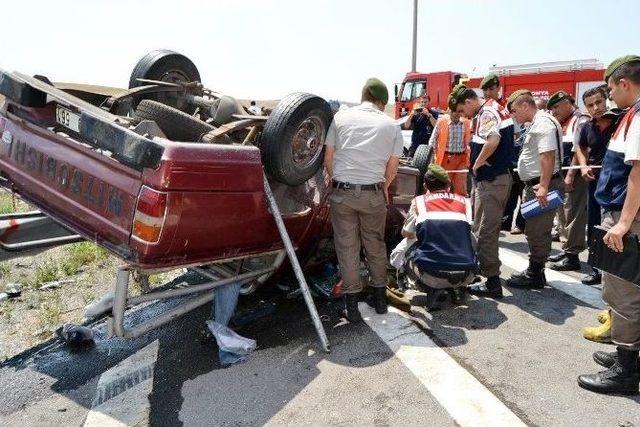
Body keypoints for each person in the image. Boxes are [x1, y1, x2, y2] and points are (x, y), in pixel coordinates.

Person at [578, 55, 640, 395]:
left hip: (625, 218)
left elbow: (638, 173)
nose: (610, 96)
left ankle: (626, 371)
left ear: (625, 84)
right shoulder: (632, 115)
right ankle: (628, 358)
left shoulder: (638, 116)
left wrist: (623, 223)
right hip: (622, 214)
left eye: (611, 88)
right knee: (627, 291)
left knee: (624, 292)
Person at [324, 77, 403, 322]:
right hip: (373, 194)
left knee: (347, 248)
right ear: (382, 102)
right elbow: (392, 167)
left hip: (343, 193)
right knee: (375, 245)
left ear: (364, 95)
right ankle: (380, 301)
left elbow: (329, 156)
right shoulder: (392, 126)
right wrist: (382, 188)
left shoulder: (340, 118)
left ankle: (353, 308)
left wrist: (336, 181)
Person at [451, 85, 514, 298]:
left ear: (469, 101)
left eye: (461, 110)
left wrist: (477, 163)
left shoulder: (486, 112)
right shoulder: (490, 109)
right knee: (479, 227)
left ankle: (492, 281)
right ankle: (483, 271)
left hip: (492, 180)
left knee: (486, 232)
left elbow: (493, 140)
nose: (462, 115)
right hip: (490, 181)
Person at [506, 89, 563, 289]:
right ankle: (535, 270)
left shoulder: (543, 123)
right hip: (537, 183)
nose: (514, 115)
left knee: (538, 230)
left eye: (514, 110)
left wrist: (544, 187)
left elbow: (548, 156)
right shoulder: (539, 122)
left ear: (524, 105)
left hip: (541, 184)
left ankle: (535, 274)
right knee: (534, 228)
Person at [400, 164, 477, 306]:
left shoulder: (419, 202)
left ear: (425, 185)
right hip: (466, 274)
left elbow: (406, 233)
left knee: (403, 252)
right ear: (448, 184)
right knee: (470, 237)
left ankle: (426, 287)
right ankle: (459, 287)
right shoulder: (465, 203)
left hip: (431, 275)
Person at [575, 86, 623, 286]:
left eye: (599, 102)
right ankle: (596, 269)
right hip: (596, 184)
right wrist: (583, 165)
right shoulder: (587, 126)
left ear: (607, 100)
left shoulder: (622, 121)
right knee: (595, 226)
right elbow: (580, 146)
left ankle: (619, 271)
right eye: (590, 105)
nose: (596, 108)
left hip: (620, 185)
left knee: (618, 226)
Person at [546, 91, 590, 272]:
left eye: (556, 107)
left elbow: (579, 150)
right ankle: (567, 249)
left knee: (573, 214)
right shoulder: (562, 122)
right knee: (562, 214)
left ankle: (573, 256)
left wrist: (571, 175)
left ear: (567, 104)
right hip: (560, 176)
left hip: (573, 176)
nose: (554, 111)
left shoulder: (580, 120)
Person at [481, 73, 526, 234]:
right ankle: (505, 222)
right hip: (505, 158)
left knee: (522, 191)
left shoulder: (506, 108)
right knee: (510, 194)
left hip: (515, 155)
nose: (487, 93)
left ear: (498, 89)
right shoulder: (486, 109)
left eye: (491, 89)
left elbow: (517, 132)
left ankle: (520, 224)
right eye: (485, 90)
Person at [428, 96, 471, 196]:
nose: (455, 114)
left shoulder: (467, 123)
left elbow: (470, 141)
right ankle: (444, 208)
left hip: (462, 160)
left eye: (457, 111)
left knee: (460, 189)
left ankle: (460, 209)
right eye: (453, 111)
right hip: (446, 159)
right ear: (448, 111)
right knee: (444, 187)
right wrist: (433, 157)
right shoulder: (442, 122)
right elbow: (432, 140)